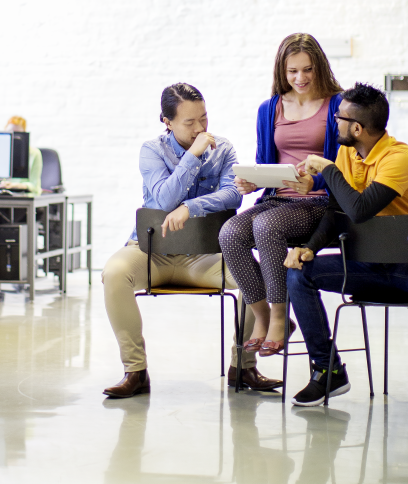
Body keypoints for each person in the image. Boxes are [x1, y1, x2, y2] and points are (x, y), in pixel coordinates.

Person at [284, 83, 408, 428]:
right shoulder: (348, 154)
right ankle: (328, 368)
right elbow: (336, 212)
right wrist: (309, 248)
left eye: (339, 118)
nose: (334, 123)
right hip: (367, 266)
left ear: (357, 128)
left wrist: (328, 170)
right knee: (298, 273)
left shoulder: (400, 159)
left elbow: (360, 209)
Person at [101, 83, 281, 398]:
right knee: (114, 273)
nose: (200, 129)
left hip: (205, 256)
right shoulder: (152, 151)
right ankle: (135, 371)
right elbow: (165, 198)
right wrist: (194, 156)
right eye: (189, 122)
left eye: (204, 119)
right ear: (166, 122)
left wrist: (191, 207)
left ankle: (244, 367)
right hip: (152, 253)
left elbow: (231, 197)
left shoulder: (223, 149)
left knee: (258, 278)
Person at [219, 33, 342, 359]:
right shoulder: (270, 108)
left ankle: (278, 315)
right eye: (292, 72)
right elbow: (266, 162)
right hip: (278, 199)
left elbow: (346, 169)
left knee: (267, 227)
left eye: (307, 70)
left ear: (320, 67)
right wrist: (253, 183)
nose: (300, 78)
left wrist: (315, 181)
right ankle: (264, 317)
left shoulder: (337, 105)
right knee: (230, 233)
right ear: (281, 72)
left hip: (318, 202)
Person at [0, 115, 44, 195]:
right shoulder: (0, 152)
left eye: (17, 133)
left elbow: (35, 186)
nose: (14, 137)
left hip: (26, 197)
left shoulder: (34, 153)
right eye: (10, 132)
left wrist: (17, 186)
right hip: (3, 194)